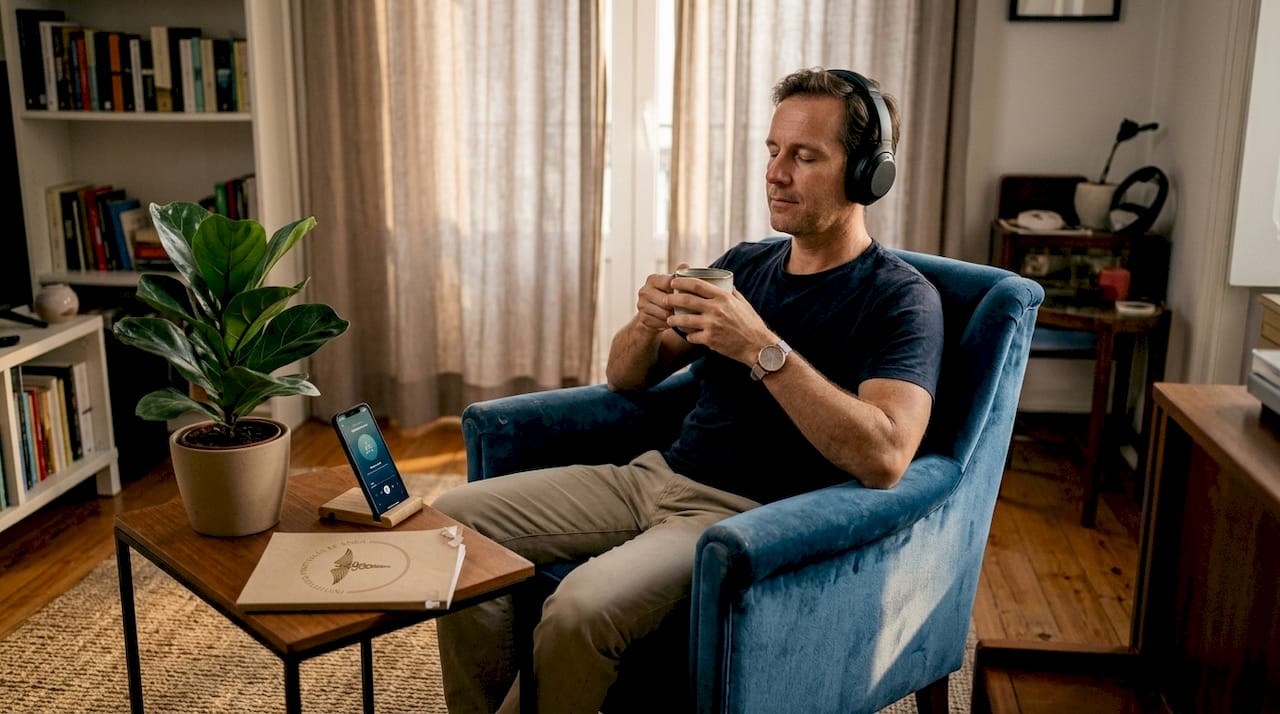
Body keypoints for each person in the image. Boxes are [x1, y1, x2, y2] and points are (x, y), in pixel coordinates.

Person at [433, 66, 944, 714]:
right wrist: (646, 323)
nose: (776, 172)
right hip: (652, 478)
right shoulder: (746, 263)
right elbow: (625, 377)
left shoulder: (899, 299)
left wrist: (760, 347)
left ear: (870, 173)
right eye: (772, 151)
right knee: (452, 522)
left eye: (804, 156)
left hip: (737, 516)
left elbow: (886, 454)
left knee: (579, 609)